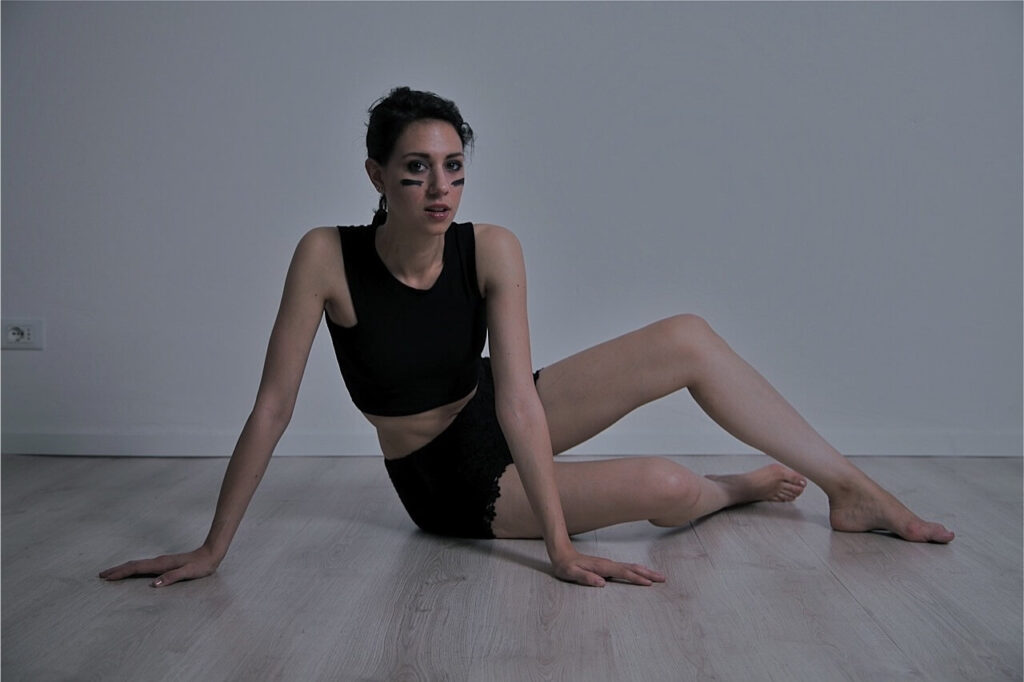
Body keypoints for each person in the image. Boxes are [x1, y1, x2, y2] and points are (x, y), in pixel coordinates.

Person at [100, 87, 954, 590]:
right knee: (666, 482)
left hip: (492, 413)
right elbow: (272, 408)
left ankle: (851, 490)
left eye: (453, 167)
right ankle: (729, 491)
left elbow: (516, 397)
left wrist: (557, 538)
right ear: (376, 175)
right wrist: (214, 547)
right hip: (444, 480)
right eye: (416, 169)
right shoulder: (326, 256)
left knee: (687, 335)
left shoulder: (492, 248)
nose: (441, 188)